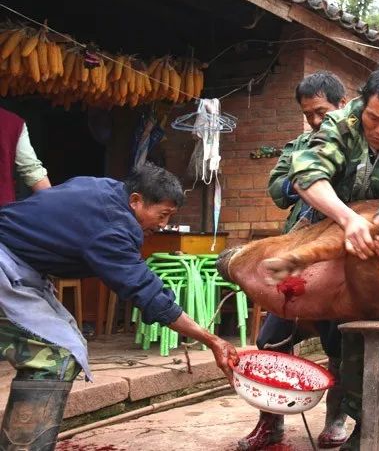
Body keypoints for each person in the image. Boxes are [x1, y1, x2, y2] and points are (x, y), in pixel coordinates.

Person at [0, 162, 238, 451]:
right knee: (56, 356)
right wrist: (212, 340)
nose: (163, 225)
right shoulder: (112, 228)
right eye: (162, 215)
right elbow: (147, 293)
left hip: (22, 266)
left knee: (66, 342)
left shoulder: (104, 189)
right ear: (136, 201)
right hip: (7, 264)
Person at [288, 59, 379, 450]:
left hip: (378, 245)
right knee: (277, 327)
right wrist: (347, 218)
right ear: (361, 105)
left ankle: (355, 422)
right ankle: (269, 421)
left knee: (353, 337)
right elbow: (306, 173)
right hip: (324, 232)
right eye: (374, 118)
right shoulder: (340, 122)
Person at [239, 71, 349, 450]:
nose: (316, 121)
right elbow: (278, 190)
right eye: (309, 114)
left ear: (343, 106)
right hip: (297, 257)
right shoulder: (299, 144)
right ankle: (271, 424)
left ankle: (337, 417)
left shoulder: (358, 148)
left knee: (341, 342)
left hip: (339, 260)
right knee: (270, 340)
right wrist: (305, 175)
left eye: (322, 111)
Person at [0, 107, 51, 206]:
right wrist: (54, 206)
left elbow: (32, 171)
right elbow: (32, 170)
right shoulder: (11, 122)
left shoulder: (12, 123)